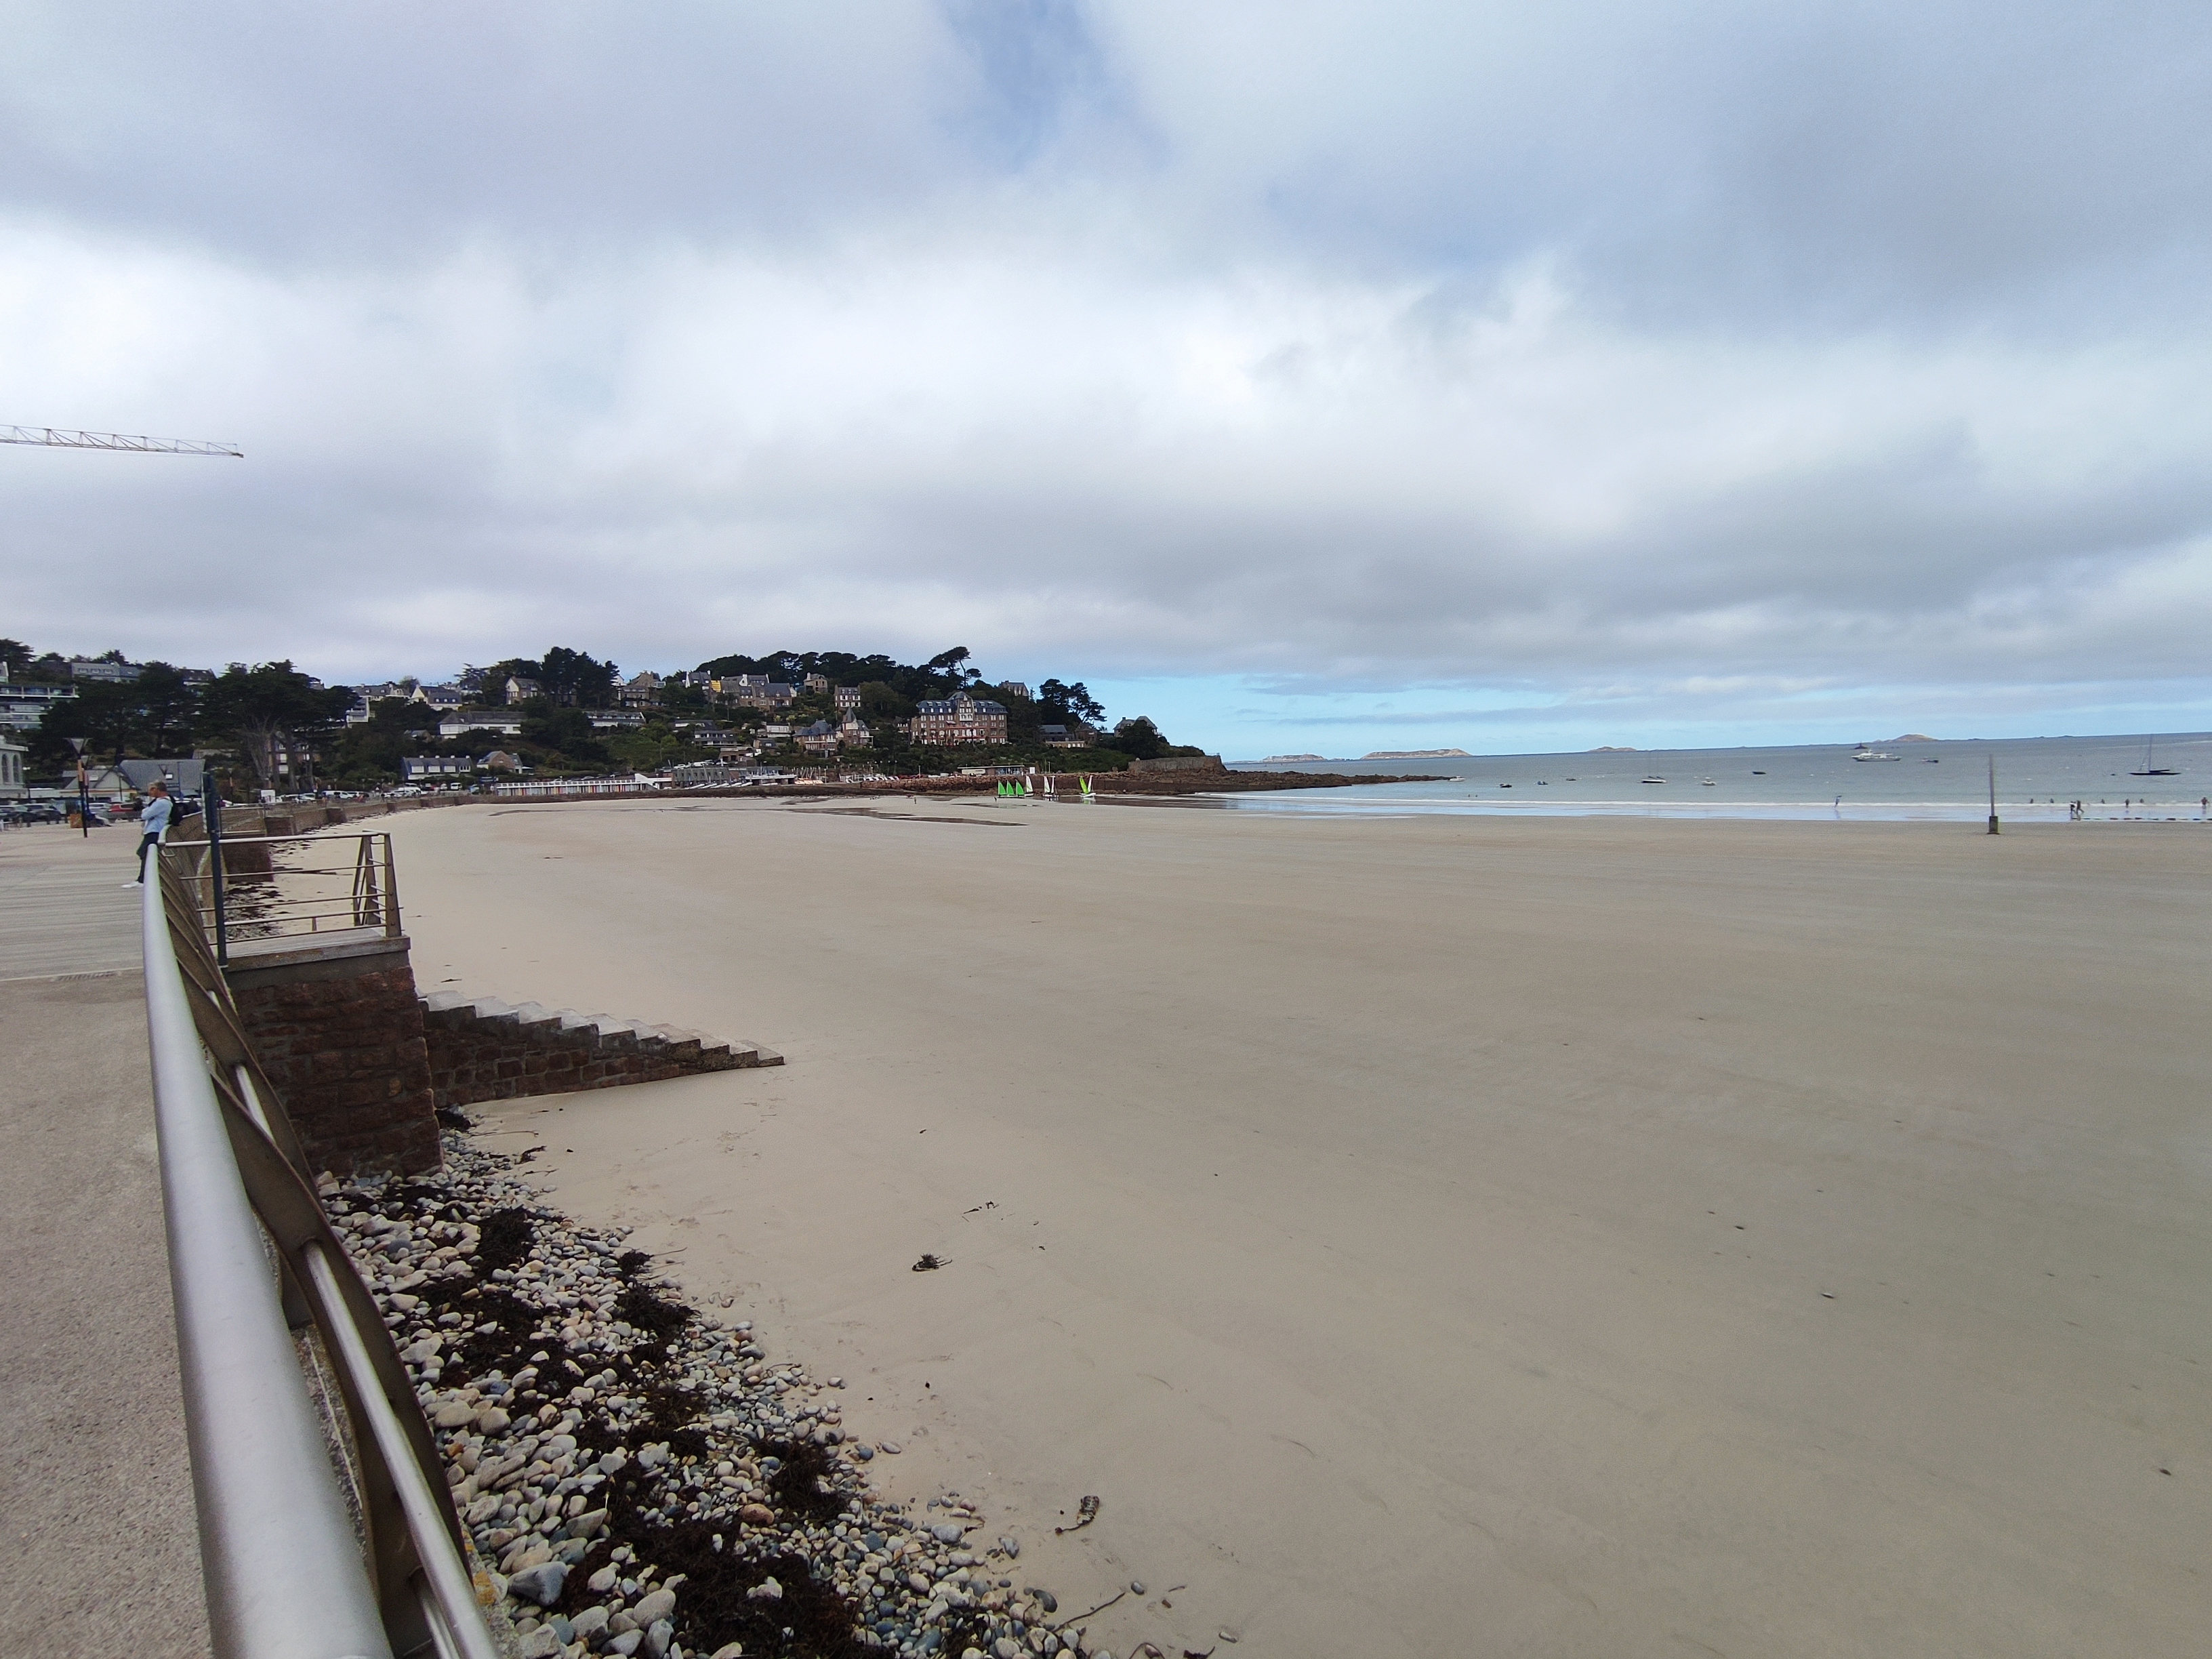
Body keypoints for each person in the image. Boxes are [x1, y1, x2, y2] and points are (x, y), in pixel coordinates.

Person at [130, 780, 173, 886]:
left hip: (154, 831)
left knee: (145, 853)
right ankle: (144, 878)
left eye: (152, 789)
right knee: (146, 854)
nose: (150, 792)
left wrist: (147, 811)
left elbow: (145, 815)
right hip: (154, 830)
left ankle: (143, 880)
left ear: (158, 790)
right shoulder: (161, 802)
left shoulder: (161, 803)